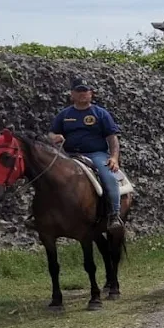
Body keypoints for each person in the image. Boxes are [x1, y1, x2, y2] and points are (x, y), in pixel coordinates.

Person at [49, 77, 124, 231]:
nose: (82, 94)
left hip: (96, 154)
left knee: (110, 177)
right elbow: (51, 133)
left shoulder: (101, 113)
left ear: (91, 93)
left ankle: (114, 215)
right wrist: (54, 137)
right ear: (72, 94)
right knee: (47, 176)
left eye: (85, 90)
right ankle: (41, 215)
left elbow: (112, 137)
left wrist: (114, 158)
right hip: (68, 155)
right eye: (79, 91)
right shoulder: (64, 115)